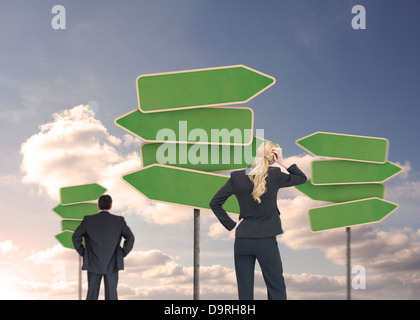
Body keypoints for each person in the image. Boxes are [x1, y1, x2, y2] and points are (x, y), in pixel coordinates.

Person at [209, 141, 307, 300]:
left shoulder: (237, 176)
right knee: (276, 286)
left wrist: (231, 224)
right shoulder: (275, 175)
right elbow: (301, 178)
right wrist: (282, 161)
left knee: (244, 289)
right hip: (266, 240)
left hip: (242, 240)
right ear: (273, 155)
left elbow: (215, 203)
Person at [72, 194, 135, 300]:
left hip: (93, 262)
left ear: (98, 206)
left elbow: (75, 237)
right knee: (111, 296)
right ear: (111, 206)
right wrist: (121, 254)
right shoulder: (119, 221)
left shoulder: (88, 220)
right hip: (112, 263)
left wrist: (85, 253)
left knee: (91, 295)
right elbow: (131, 239)